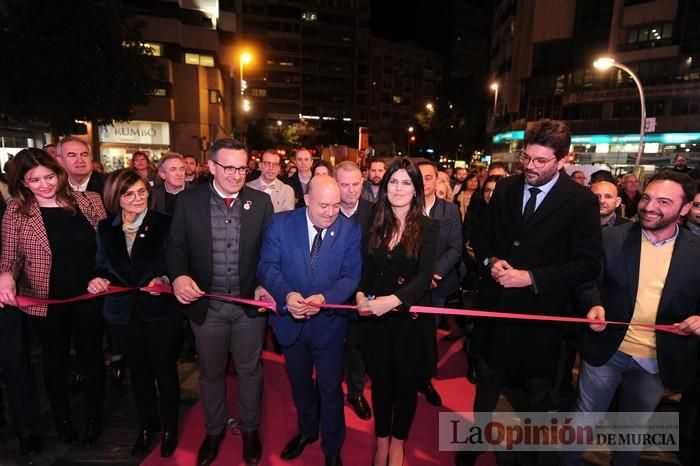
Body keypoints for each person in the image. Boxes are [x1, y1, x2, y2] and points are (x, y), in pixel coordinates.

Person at [460, 119, 601, 466]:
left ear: (563, 160)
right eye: (527, 157)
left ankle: (528, 455)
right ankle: (474, 442)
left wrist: (532, 278)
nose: (530, 166)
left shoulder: (581, 201)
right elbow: (481, 235)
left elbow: (586, 265)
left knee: (537, 394)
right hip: (496, 307)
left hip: (541, 315)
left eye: (540, 161)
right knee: (487, 385)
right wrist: (491, 261)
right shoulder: (506, 188)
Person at [563, 171, 700, 466]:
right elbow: (587, 283)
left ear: (685, 208)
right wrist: (593, 304)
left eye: (664, 201)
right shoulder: (611, 238)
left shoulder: (696, 251)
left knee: (631, 431)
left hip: (655, 361)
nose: (650, 207)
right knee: (583, 419)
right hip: (606, 350)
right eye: (648, 197)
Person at [166, 138, 274, 466]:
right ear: (211, 166)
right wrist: (178, 276)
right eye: (228, 167)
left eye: (242, 168)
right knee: (211, 373)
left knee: (249, 371)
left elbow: (271, 255)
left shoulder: (261, 202)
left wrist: (262, 284)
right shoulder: (188, 201)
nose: (236, 174)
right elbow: (175, 247)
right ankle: (213, 431)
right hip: (206, 306)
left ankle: (251, 429)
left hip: (247, 309)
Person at [0, 148, 107, 447]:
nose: (45, 184)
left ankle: (93, 417)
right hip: (44, 301)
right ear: (23, 182)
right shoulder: (17, 211)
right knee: (54, 362)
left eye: (49, 176)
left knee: (91, 357)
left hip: (89, 295)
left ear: (59, 172)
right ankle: (62, 419)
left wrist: (102, 274)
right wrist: (6, 275)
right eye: (34, 180)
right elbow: (10, 258)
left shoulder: (90, 201)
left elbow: (107, 249)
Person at [257, 175, 361, 466]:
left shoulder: (350, 230)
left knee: (330, 389)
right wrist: (286, 295)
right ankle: (307, 431)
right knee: (300, 384)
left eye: (336, 206)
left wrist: (324, 299)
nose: (330, 213)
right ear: (307, 200)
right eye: (323, 206)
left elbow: (351, 276)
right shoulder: (280, 224)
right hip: (291, 323)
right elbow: (267, 266)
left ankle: (332, 448)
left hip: (329, 325)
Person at [87, 170, 182, 458]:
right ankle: (146, 425)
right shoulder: (105, 228)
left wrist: (164, 280)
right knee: (138, 373)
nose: (138, 198)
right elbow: (101, 265)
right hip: (123, 313)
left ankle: (169, 428)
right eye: (129, 194)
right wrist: (97, 279)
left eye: (142, 192)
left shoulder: (165, 224)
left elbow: (177, 265)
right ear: (116, 198)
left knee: (165, 371)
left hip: (160, 311)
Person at [355, 159, 439, 466]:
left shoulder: (429, 226)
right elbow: (365, 269)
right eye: (393, 182)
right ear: (383, 185)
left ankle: (398, 443)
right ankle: (381, 441)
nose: (399, 189)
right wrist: (361, 293)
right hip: (377, 322)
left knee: (405, 385)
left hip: (408, 320)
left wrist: (391, 300)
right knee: (380, 382)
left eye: (406, 182)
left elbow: (423, 278)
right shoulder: (374, 221)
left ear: (416, 188)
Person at [417, 161, 464, 406]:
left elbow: (456, 248)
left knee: (429, 334)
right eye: (420, 177)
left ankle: (425, 379)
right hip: (408, 285)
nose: (424, 182)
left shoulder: (449, 211)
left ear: (437, 180)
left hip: (437, 284)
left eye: (428, 177)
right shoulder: (404, 207)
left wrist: (434, 274)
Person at [0, 196, 42, 456]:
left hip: (4, 295)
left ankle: (26, 427)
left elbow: (10, 248)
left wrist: (6, 277)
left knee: (15, 363)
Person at [334, 161, 373, 421]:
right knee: (330, 346)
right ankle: (328, 390)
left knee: (359, 345)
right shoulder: (323, 210)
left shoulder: (377, 211)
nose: (350, 190)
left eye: (355, 184)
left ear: (363, 182)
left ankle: (356, 392)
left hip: (364, 292)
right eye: (344, 184)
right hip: (330, 295)